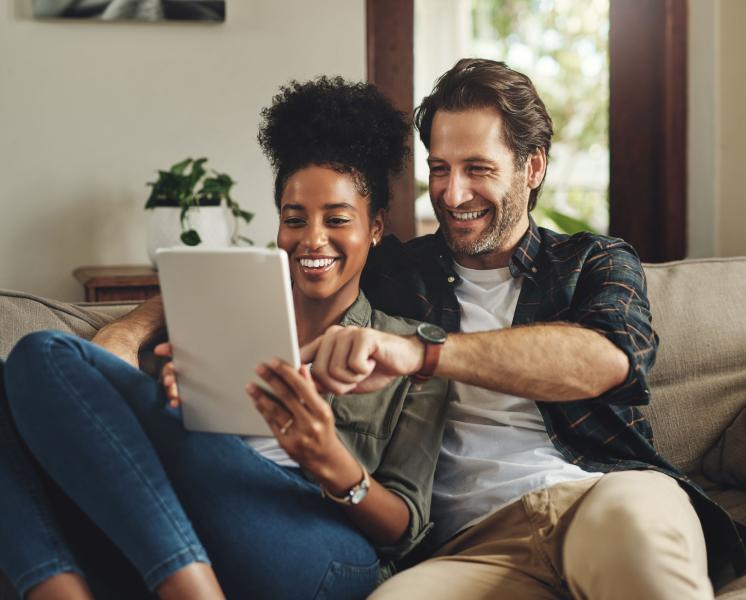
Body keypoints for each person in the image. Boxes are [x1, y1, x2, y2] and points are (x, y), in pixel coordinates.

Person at [294, 59, 746, 599]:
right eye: (439, 168)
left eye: (478, 169)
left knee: (638, 547)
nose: (453, 194)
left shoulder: (594, 262)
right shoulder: (395, 272)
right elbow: (283, 270)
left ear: (532, 168)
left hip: (601, 498)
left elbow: (608, 361)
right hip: (471, 544)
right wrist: (164, 316)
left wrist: (424, 354)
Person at [0, 77, 451, 600]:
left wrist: (328, 458)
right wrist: (172, 397)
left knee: (45, 351)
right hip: (197, 524)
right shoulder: (218, 310)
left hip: (322, 553)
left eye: (337, 220)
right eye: (294, 219)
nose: (312, 239)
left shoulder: (407, 352)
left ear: (374, 227)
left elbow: (406, 530)